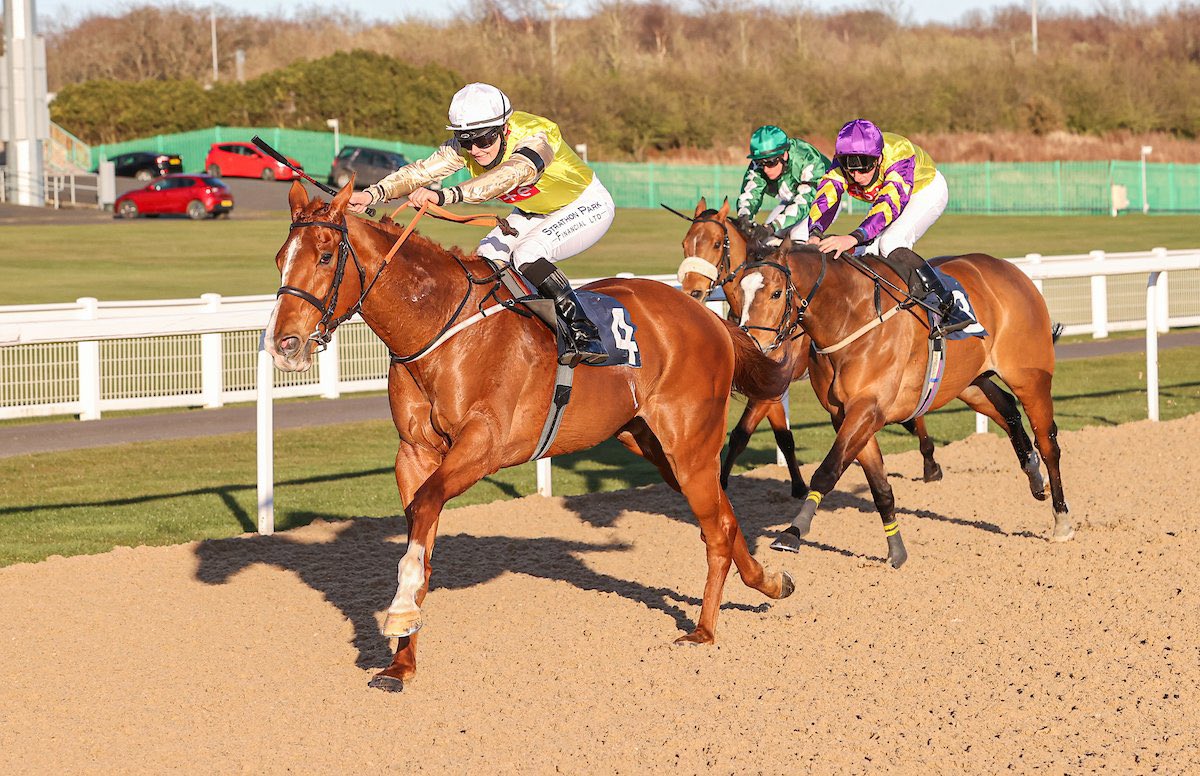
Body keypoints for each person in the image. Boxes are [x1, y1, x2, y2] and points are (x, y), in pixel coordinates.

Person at [347, 83, 612, 366]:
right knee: (488, 254)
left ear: (504, 129)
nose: (475, 150)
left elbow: (509, 175)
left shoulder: (536, 136)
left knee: (528, 254)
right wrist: (372, 193)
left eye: (484, 140)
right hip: (534, 211)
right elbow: (421, 172)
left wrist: (446, 195)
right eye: (465, 141)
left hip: (585, 204)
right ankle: (516, 331)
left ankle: (584, 332)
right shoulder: (470, 147)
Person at [806, 118, 971, 336]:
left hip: (923, 192)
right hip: (889, 198)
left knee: (891, 242)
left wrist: (854, 237)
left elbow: (888, 205)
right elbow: (827, 196)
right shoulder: (843, 163)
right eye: (850, 168)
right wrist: (815, 232)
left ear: (879, 158)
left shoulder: (898, 153)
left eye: (864, 167)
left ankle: (948, 306)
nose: (856, 175)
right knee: (865, 251)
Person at [736, 125, 831, 244]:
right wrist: (744, 216)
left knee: (798, 234)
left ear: (784, 155)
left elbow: (805, 202)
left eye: (770, 163)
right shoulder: (760, 165)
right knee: (766, 240)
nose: (765, 169)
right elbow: (750, 193)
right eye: (760, 163)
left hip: (823, 201)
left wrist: (773, 226)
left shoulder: (807, 158)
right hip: (792, 199)